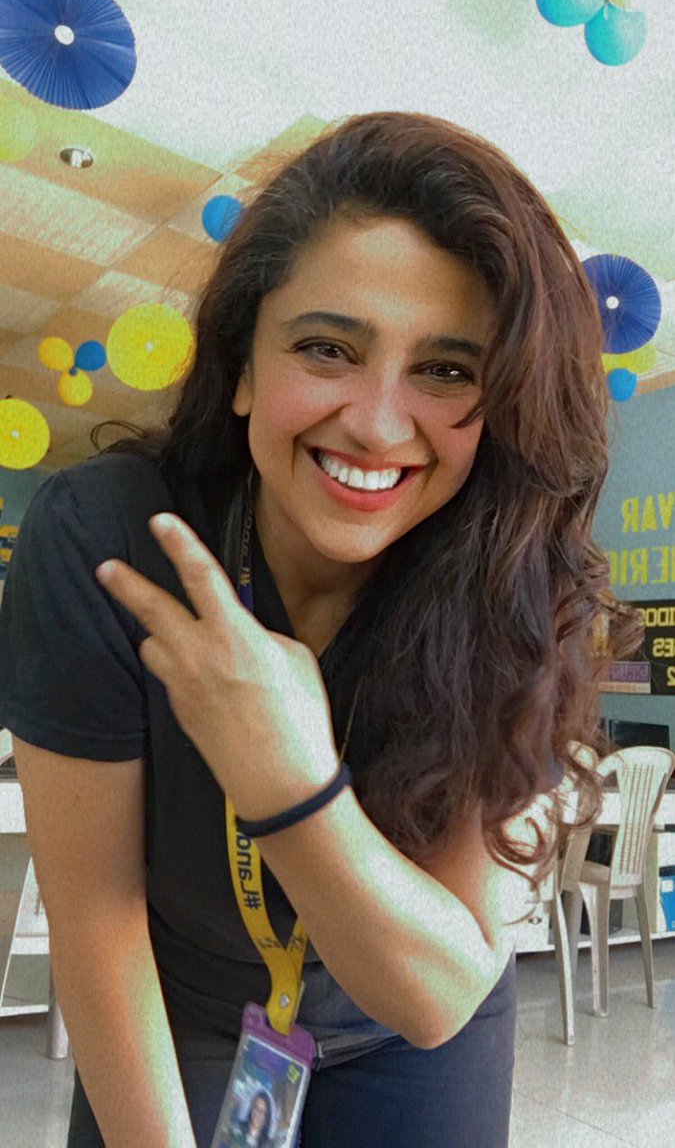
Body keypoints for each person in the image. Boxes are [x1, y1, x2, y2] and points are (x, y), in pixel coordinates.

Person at [0, 111, 642, 1148]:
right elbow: (96, 920)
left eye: (446, 370)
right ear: (244, 366)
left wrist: (290, 786)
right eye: (327, 348)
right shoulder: (108, 538)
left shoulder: (518, 580)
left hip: (406, 1023)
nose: (378, 425)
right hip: (187, 1009)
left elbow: (436, 995)